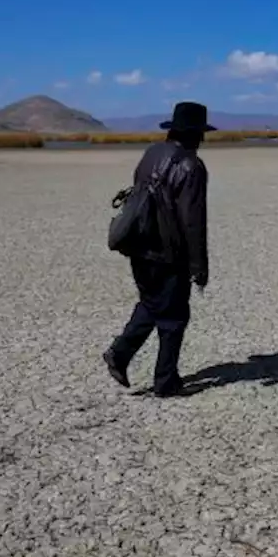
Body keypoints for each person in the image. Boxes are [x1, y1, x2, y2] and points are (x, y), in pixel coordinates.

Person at [102, 101, 213, 397]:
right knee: (174, 317)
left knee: (152, 303)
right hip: (168, 253)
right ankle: (166, 382)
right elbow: (193, 221)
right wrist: (199, 266)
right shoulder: (191, 166)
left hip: (139, 244)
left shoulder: (152, 153)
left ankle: (119, 354)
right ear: (196, 134)